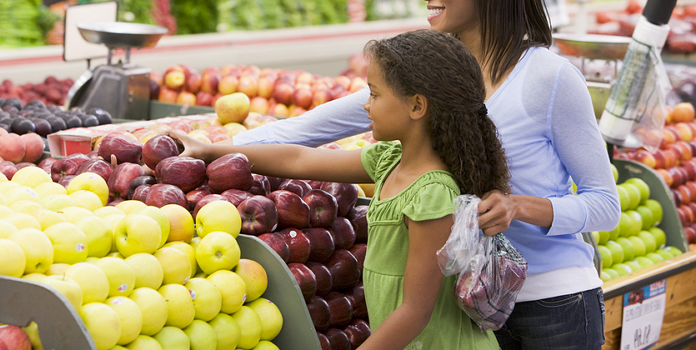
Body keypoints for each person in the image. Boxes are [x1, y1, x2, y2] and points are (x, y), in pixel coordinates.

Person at [227, 1, 621, 349]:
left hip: (552, 306)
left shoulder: (550, 78)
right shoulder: (429, 74)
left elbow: (605, 204)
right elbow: (299, 135)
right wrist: (208, 151)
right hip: (466, 308)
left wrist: (519, 206)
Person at [171, 29, 507, 349]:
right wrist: (210, 150)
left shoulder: (432, 195)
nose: (366, 106)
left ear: (417, 106)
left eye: (375, 94)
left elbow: (414, 313)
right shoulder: (390, 160)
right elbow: (298, 159)